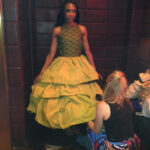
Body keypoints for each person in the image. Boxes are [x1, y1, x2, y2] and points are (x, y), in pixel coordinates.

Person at [27, 0, 103, 130]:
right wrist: (41, 73)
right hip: (62, 66)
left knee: (78, 98)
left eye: (73, 11)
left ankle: (76, 125)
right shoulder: (57, 30)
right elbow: (51, 54)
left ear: (76, 13)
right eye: (68, 11)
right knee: (62, 98)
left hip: (79, 66)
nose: (71, 14)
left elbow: (88, 51)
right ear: (63, 12)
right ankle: (67, 126)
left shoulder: (82, 29)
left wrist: (94, 70)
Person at [88, 70, 140, 150]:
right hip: (132, 143)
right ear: (124, 86)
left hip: (116, 146)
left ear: (108, 85)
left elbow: (96, 130)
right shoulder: (127, 100)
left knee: (91, 129)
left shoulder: (102, 105)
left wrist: (87, 121)